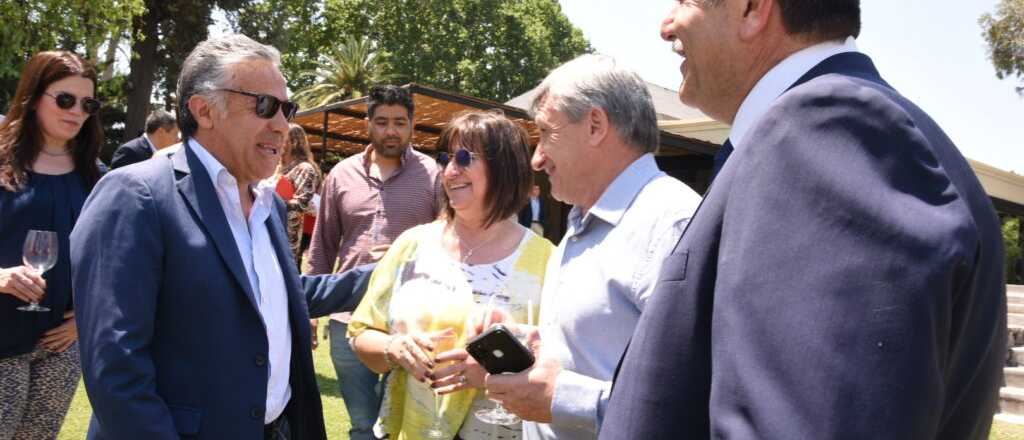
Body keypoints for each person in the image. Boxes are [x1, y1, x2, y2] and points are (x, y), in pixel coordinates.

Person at [601, 2, 1007, 439]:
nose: (666, 26)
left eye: (686, 1)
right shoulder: (853, 131)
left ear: (751, 9)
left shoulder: (824, 129)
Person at [70, 34, 364, 440]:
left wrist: (390, 272)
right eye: (265, 106)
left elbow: (276, 295)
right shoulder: (136, 195)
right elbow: (116, 369)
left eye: (287, 109)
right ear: (204, 110)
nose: (282, 125)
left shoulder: (269, 206)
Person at [482, 55, 702, 440]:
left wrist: (568, 398)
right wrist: (537, 343)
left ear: (595, 126)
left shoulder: (672, 225)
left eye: (546, 133)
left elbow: (695, 400)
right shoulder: (583, 223)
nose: (536, 159)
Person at [348, 111, 553, 440]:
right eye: (445, 159)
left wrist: (491, 374)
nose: (450, 170)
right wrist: (393, 347)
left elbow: (564, 368)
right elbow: (361, 334)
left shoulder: (547, 261)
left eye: (464, 158)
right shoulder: (412, 245)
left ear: (505, 168)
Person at [308, 84, 442, 440]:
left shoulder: (432, 175)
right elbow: (322, 246)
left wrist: (404, 256)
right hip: (348, 318)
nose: (391, 131)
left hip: (411, 321)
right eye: (382, 122)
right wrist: (309, 312)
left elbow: (449, 243)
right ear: (368, 124)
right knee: (363, 425)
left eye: (399, 122)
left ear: (412, 125)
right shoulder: (341, 175)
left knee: (404, 424)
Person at [0, 50, 102, 440]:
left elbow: (112, 264)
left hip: (60, 347)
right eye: (65, 99)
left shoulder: (98, 178)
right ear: (33, 97)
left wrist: (85, 318)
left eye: (87, 104)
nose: (76, 111)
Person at [272, 123, 322, 268]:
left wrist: (272, 201)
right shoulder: (277, 168)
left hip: (292, 235)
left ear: (294, 142)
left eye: (282, 137)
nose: (277, 141)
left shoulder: (304, 169)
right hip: (274, 228)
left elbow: (302, 203)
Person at [109, 108, 178, 169]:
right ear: (161, 132)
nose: (177, 139)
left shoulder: (167, 155)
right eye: (175, 134)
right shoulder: (129, 152)